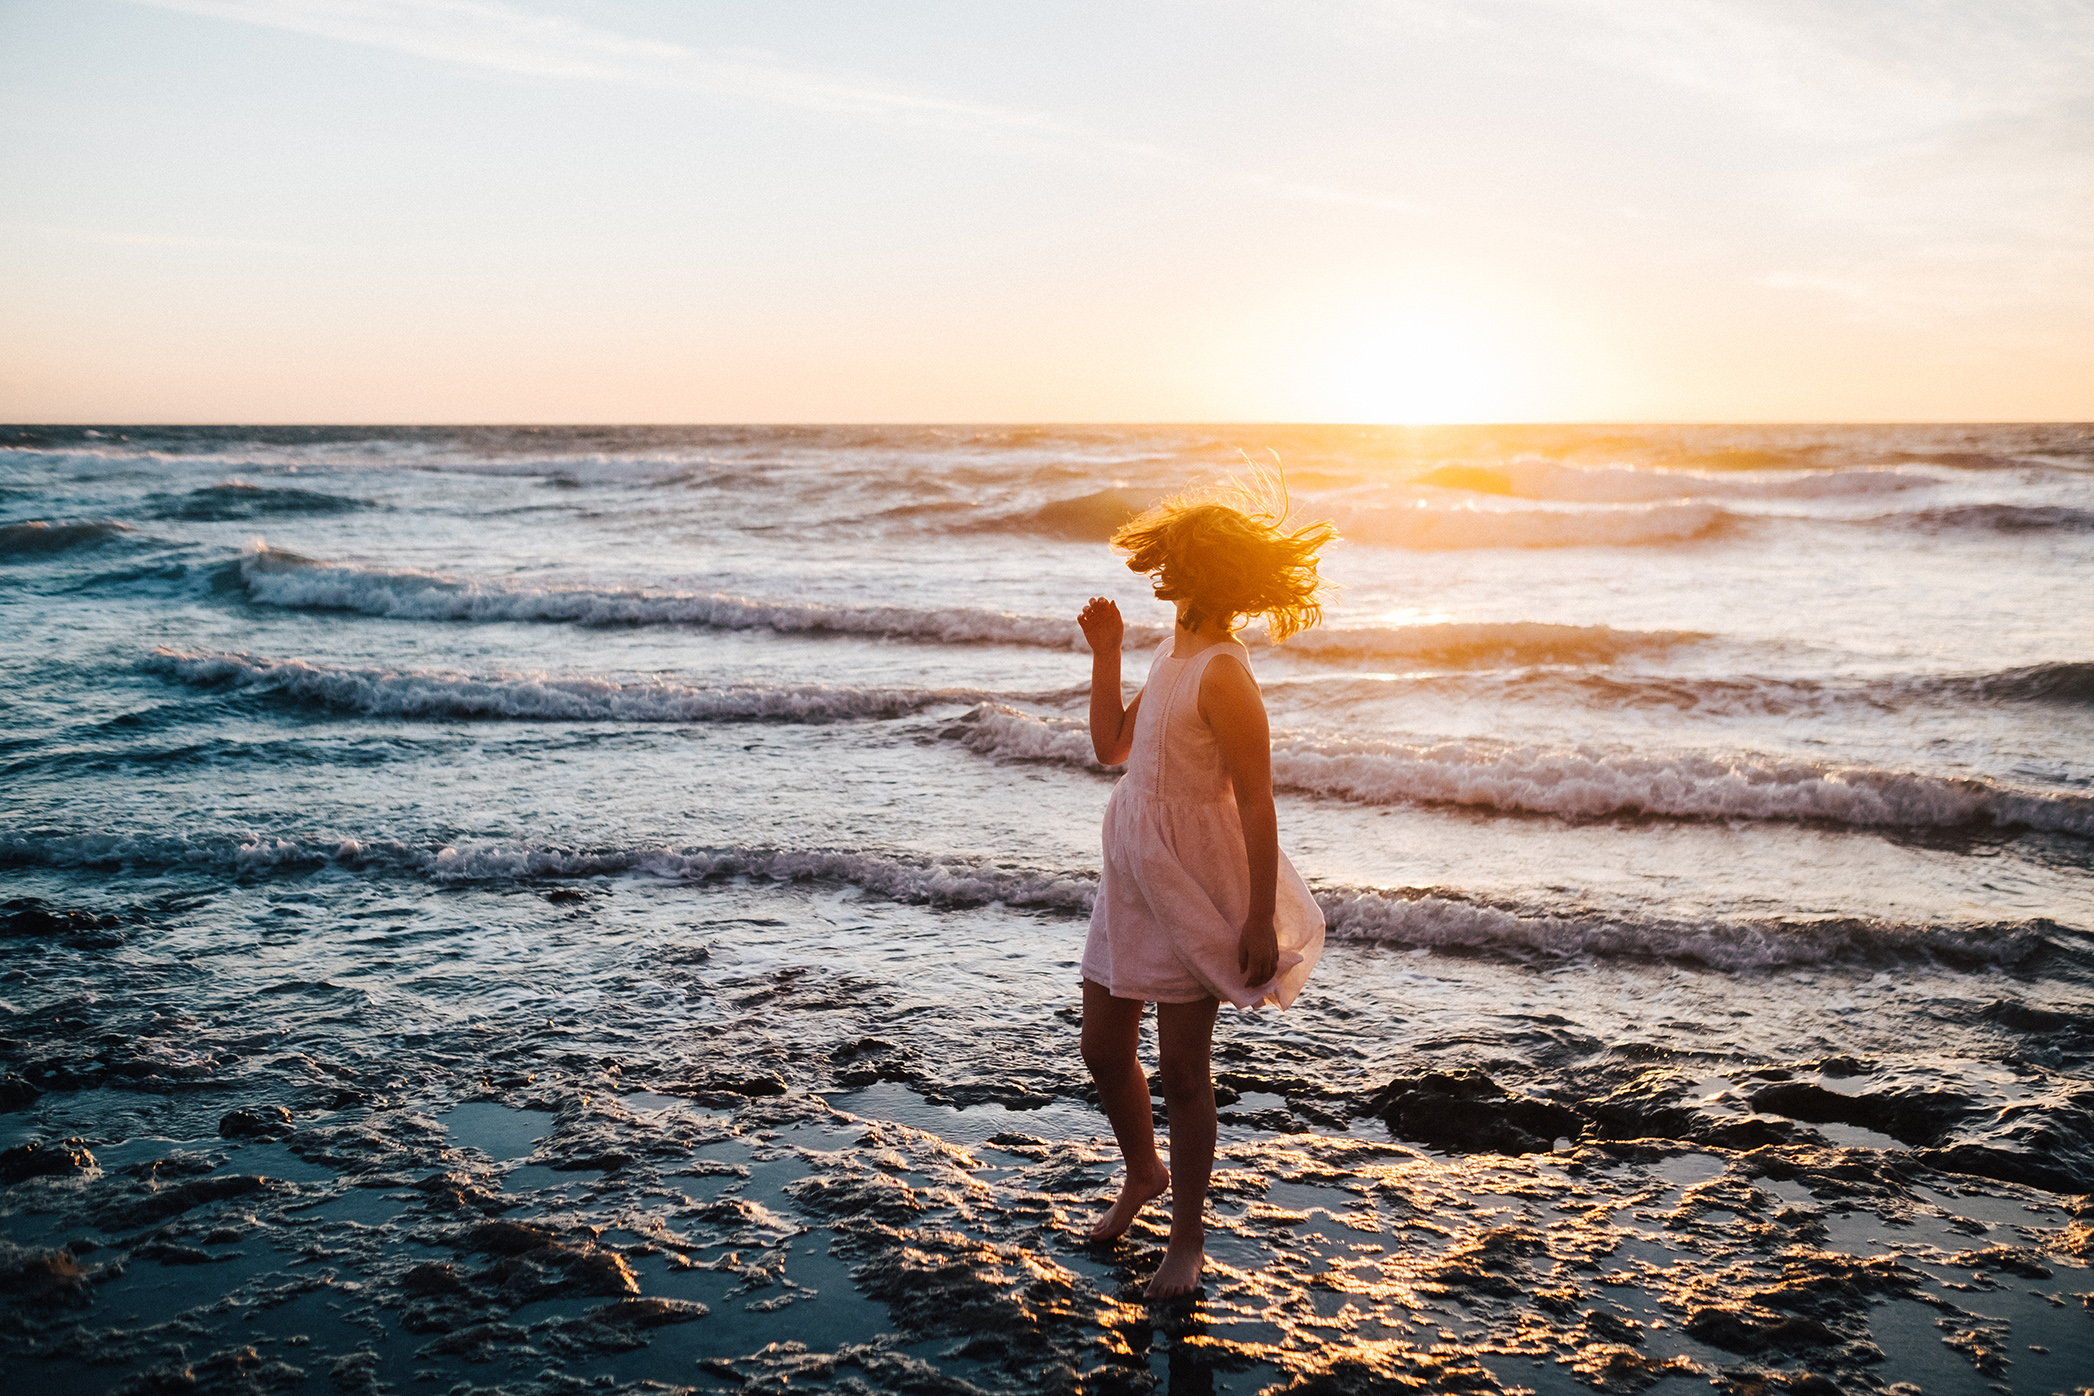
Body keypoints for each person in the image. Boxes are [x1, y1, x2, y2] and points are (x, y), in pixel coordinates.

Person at [1074, 484, 1335, 1301]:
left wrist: (1257, 913)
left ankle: (1186, 1242)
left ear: (1195, 572)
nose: (1158, 569)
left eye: (1172, 559)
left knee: (1185, 1070)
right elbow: (1114, 748)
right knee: (1104, 1048)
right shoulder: (1171, 655)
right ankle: (1143, 1171)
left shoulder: (1224, 675)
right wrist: (1107, 652)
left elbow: (1257, 803)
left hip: (1192, 883)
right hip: (1131, 871)